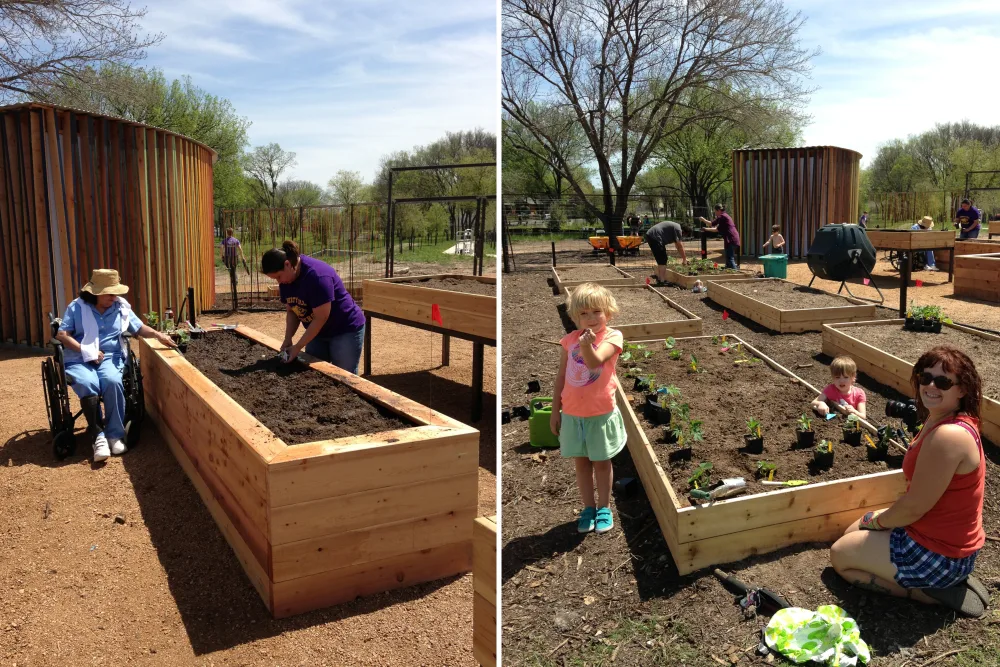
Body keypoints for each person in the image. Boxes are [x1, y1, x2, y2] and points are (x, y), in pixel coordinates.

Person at [830, 346, 988, 618]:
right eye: (925, 377)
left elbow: (915, 507)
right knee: (852, 531)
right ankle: (943, 582)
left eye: (943, 381)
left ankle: (924, 592)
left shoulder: (948, 436)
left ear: (961, 389)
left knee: (840, 556)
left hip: (940, 554)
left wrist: (877, 522)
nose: (930, 385)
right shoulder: (942, 419)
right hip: (939, 538)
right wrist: (875, 521)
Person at [54, 269, 177, 462]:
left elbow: (138, 328)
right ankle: (99, 437)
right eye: (110, 293)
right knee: (87, 383)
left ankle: (114, 434)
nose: (115, 296)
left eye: (116, 292)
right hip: (79, 358)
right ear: (96, 292)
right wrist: (86, 351)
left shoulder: (121, 308)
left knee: (112, 381)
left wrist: (159, 335)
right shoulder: (77, 307)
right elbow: (62, 335)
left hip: (110, 357)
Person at [550, 283, 626, 535]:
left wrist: (586, 345)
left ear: (609, 313)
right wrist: (555, 410)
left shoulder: (612, 337)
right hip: (572, 413)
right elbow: (561, 376)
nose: (591, 318)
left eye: (597, 312)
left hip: (599, 413)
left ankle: (604, 507)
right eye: (584, 314)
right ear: (575, 316)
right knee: (581, 463)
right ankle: (588, 508)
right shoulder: (569, 341)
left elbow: (594, 362)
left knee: (601, 463)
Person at [262, 240, 367, 374]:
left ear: (287, 264)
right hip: (318, 332)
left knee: (344, 375)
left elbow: (320, 318)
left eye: (278, 276)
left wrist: (298, 347)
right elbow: (293, 311)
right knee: (314, 373)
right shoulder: (287, 281)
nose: (279, 282)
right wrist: (288, 339)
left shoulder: (317, 276)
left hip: (344, 329)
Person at [699, 204, 741, 269]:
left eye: (715, 211)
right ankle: (729, 270)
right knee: (728, 257)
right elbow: (716, 229)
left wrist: (703, 220)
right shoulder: (725, 216)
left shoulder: (722, 217)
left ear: (718, 210)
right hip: (732, 238)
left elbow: (711, 224)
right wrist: (705, 229)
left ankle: (735, 273)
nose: (715, 213)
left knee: (730, 258)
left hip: (731, 239)